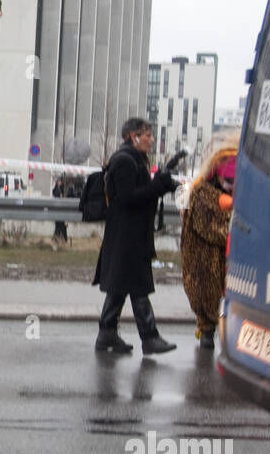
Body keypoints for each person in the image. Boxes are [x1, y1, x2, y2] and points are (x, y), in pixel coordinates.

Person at [93, 118, 186, 355]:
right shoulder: (125, 160)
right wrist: (159, 186)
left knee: (121, 287)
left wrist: (162, 181)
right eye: (148, 135)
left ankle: (107, 334)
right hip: (127, 236)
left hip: (130, 234)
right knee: (138, 286)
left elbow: (140, 193)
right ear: (133, 136)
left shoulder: (133, 159)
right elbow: (128, 198)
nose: (151, 140)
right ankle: (149, 337)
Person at [181, 147, 236, 350]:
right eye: (228, 181)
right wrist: (235, 234)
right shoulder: (203, 194)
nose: (231, 187)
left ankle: (218, 335)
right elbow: (209, 228)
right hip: (203, 258)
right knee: (206, 295)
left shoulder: (227, 195)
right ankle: (207, 334)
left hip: (223, 258)